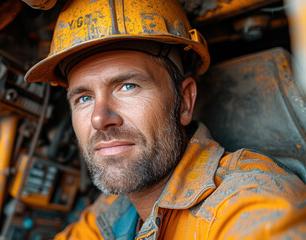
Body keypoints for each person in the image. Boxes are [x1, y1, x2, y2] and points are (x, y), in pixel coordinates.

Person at [25, 0, 306, 239]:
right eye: (83, 98)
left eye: (127, 86)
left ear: (185, 102)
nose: (99, 118)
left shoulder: (247, 205)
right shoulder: (114, 209)